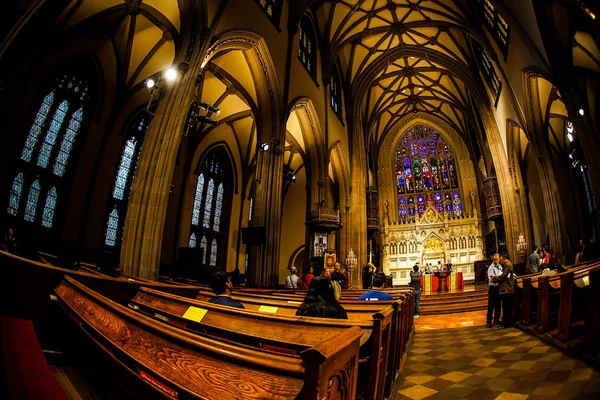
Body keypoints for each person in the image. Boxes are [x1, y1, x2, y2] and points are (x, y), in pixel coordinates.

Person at [493, 253, 515, 329]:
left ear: (504, 259)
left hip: (507, 289)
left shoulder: (507, 265)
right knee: (506, 307)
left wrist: (495, 278)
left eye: (501, 260)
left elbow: (504, 276)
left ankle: (507, 323)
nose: (500, 261)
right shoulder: (506, 265)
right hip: (506, 289)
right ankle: (507, 322)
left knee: (506, 307)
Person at [486, 254, 502, 328]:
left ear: (499, 259)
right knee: (491, 305)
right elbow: (492, 278)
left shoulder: (500, 267)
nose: (496, 261)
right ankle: (489, 321)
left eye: (497, 260)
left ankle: (496, 319)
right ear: (493, 260)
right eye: (494, 260)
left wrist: (498, 277)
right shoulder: (490, 268)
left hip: (498, 288)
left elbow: (502, 275)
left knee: (498, 304)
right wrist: (498, 278)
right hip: (492, 288)